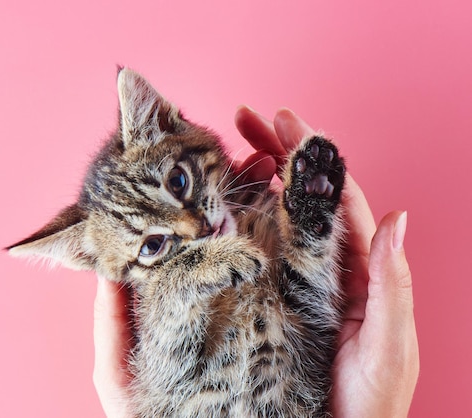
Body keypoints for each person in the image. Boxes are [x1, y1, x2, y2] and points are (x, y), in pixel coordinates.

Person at [92, 107, 419, 417]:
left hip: (288, 378)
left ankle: (307, 226)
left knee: (301, 293)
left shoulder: (260, 215)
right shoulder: (160, 298)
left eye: (178, 183)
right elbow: (172, 364)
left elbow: (306, 313)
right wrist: (183, 276)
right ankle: (309, 226)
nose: (195, 228)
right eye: (152, 244)